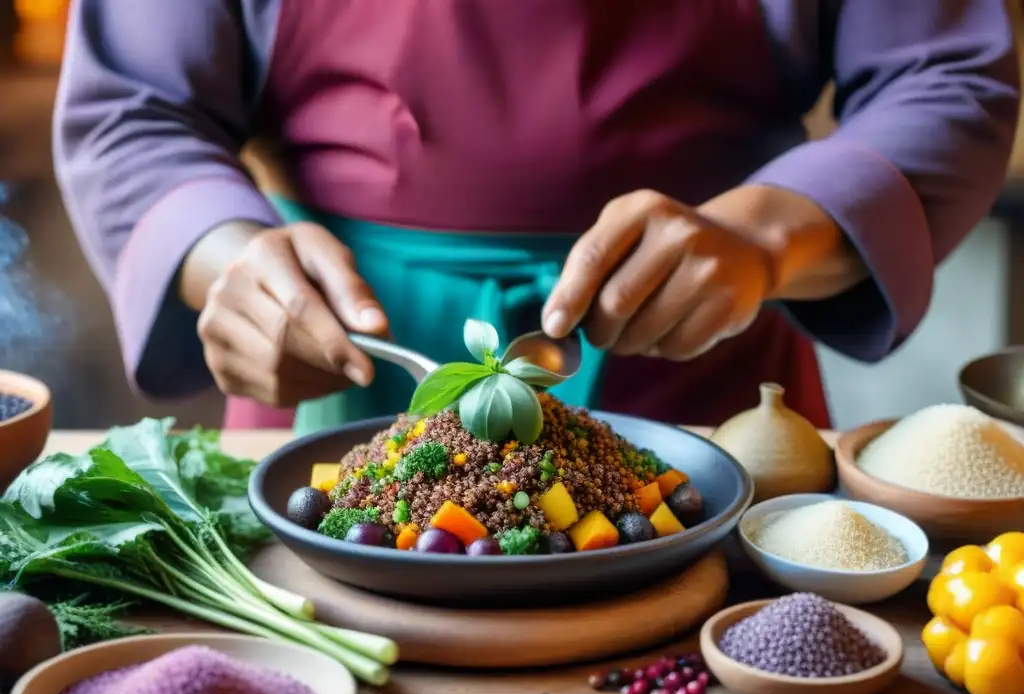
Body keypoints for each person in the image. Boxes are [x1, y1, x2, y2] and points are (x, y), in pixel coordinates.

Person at [54, 1, 1019, 435]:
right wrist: (227, 259)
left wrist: (769, 237)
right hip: (330, 391)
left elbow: (947, 75)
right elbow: (132, 109)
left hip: (700, 403)